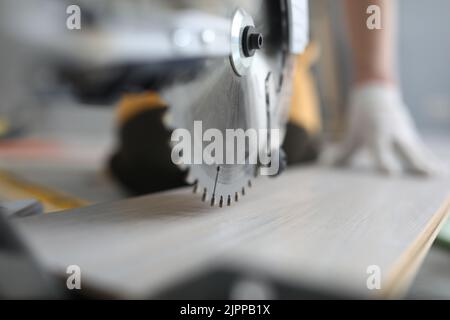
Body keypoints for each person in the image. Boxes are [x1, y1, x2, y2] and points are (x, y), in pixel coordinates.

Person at [109, 0, 444, 196]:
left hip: (272, 68)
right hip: (165, 62)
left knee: (288, 147)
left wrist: (376, 84)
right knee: (154, 154)